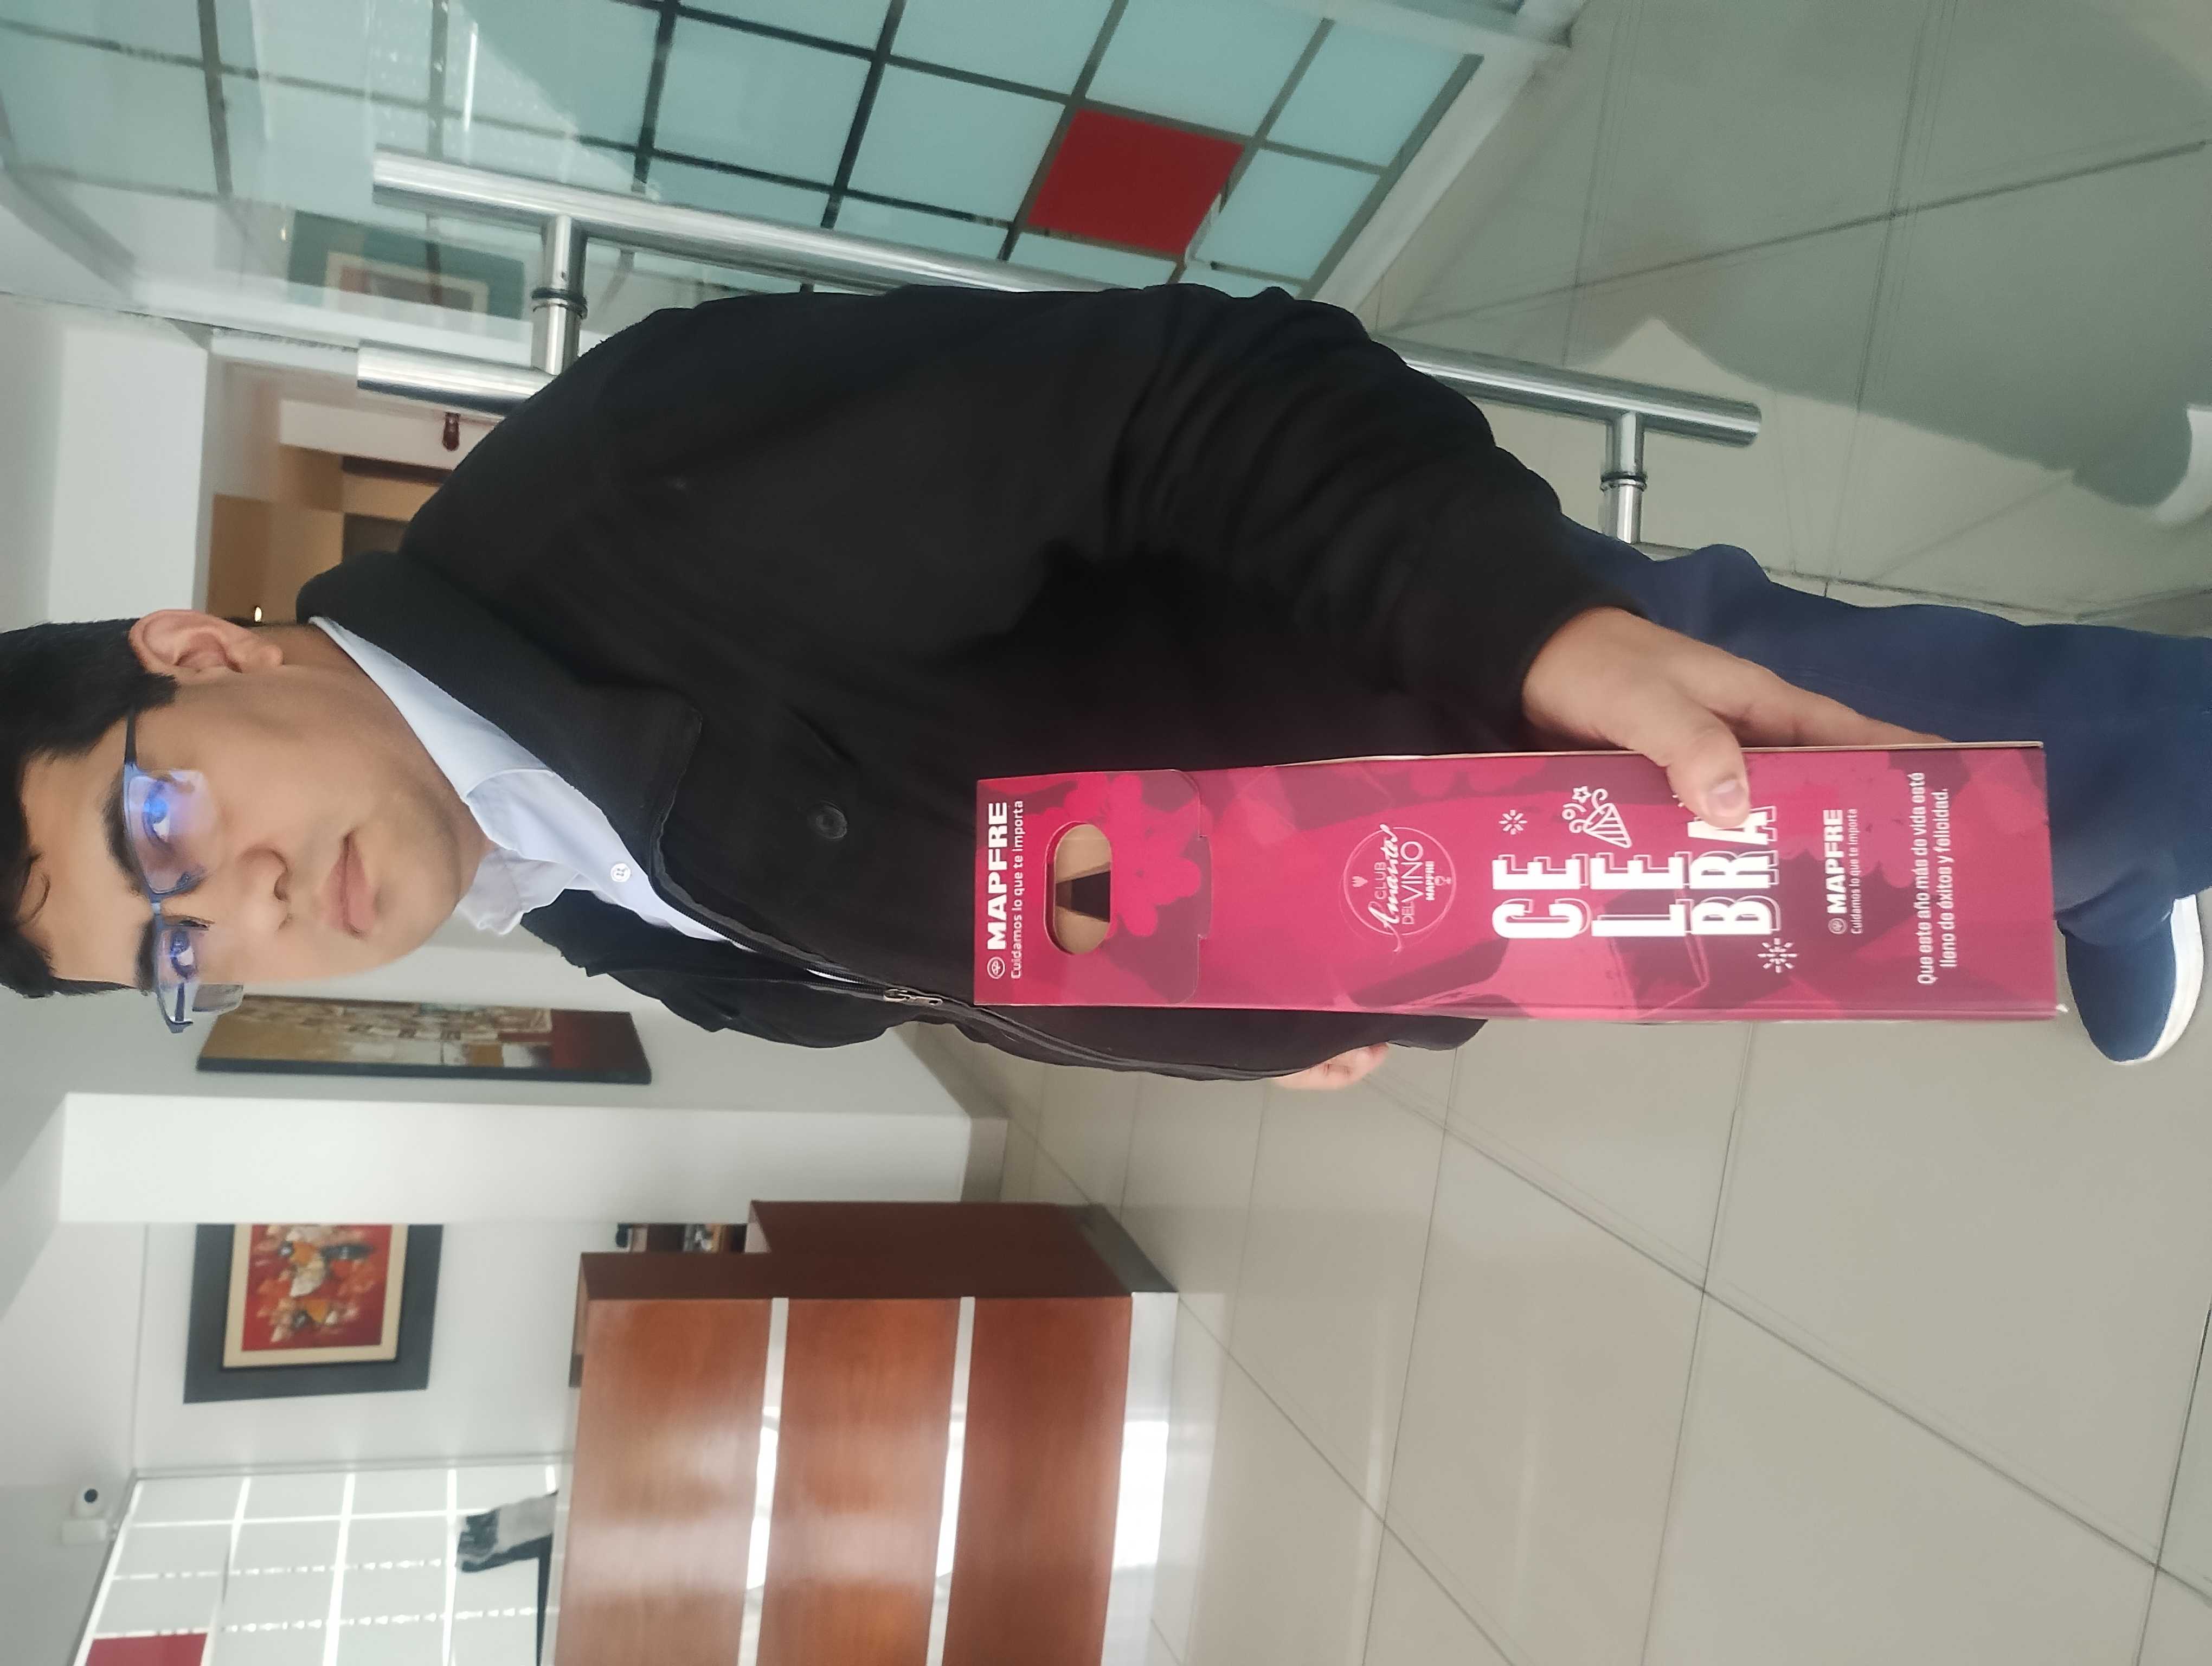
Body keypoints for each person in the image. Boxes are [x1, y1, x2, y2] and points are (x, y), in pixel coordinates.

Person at [1, 285, 2201, 1085]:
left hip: (1498, 707)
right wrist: (1238, 1019)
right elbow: (877, 941)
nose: (244, 912)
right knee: (1973, 863)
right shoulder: (532, 867)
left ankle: (2130, 830)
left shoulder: (633, 494)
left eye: (163, 830)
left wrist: (1552, 638)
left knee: (2019, 773)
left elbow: (1192, 397)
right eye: (177, 954)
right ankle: (2105, 883)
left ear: (199, 652)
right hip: (1441, 900)